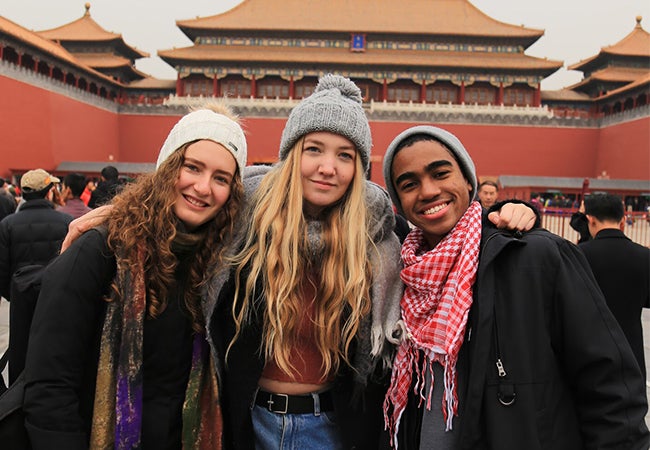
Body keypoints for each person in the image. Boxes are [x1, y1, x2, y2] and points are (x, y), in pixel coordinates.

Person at [381, 125, 649, 449]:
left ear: (468, 180)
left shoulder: (537, 257)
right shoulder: (402, 274)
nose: (427, 191)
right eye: (409, 184)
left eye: (440, 173)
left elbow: (609, 386)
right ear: (398, 201)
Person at [23, 103, 247, 449]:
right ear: (167, 166)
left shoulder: (217, 264)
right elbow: (50, 386)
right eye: (192, 167)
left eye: (221, 178)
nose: (203, 187)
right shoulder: (100, 250)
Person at [0, 169, 72, 383]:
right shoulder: (66, 222)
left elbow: (2, 270)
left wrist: (14, 294)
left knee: (21, 353)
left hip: (21, 300)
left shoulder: (8, 225)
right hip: (56, 299)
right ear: (49, 192)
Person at [579, 193, 650, 378]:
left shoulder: (579, 255)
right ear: (623, 219)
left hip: (589, 349)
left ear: (590, 220)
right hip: (631, 349)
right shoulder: (645, 256)